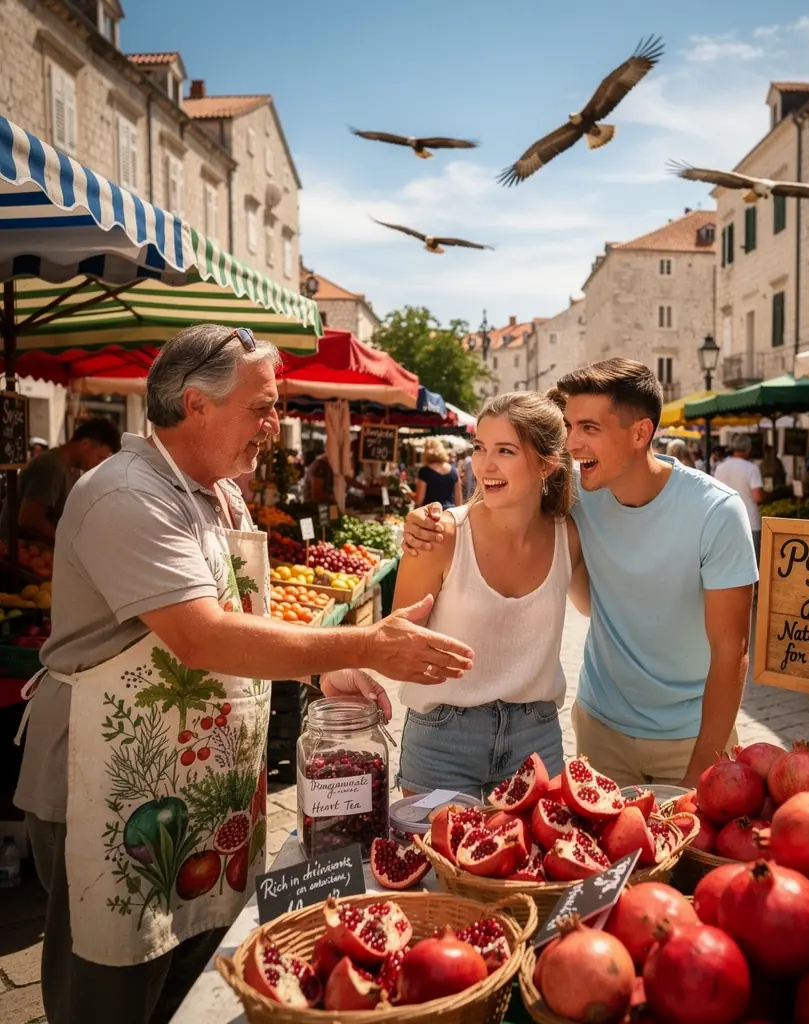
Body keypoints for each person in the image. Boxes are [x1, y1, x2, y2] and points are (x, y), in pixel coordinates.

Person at [12, 324, 473, 1024]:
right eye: (261, 407)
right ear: (195, 405)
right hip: (109, 790)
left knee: (193, 988)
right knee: (111, 988)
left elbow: (241, 615)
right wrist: (365, 645)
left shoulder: (219, 493)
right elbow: (201, 635)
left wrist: (322, 674)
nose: (274, 423)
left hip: (205, 791)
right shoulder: (126, 495)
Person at [405, 358, 758, 788]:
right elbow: (511, 490)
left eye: (589, 428)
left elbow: (731, 649)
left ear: (640, 433)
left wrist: (701, 767)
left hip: (692, 734)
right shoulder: (578, 490)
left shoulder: (717, 512)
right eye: (570, 426)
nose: (572, 443)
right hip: (599, 728)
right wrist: (431, 522)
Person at [347, 392, 588, 798]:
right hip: (444, 738)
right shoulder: (440, 536)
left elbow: (599, 607)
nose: (484, 465)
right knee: (438, 844)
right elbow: (397, 643)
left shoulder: (570, 538)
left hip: (537, 736)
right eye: (479, 447)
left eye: (505, 450)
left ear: (546, 464)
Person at [0, 418, 122, 545]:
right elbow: (30, 518)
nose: (99, 464)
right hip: (25, 551)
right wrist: (69, 545)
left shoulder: (73, 470)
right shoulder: (51, 466)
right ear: (85, 444)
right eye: (100, 457)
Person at [714, 435, 765, 558]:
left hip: (725, 522)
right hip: (749, 522)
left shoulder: (720, 468)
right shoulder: (752, 468)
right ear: (748, 448)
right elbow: (758, 497)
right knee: (751, 564)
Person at [415, 436, 462, 509]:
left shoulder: (425, 471)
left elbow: (419, 500)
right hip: (448, 512)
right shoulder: (454, 471)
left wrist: (409, 493)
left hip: (430, 512)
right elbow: (458, 501)